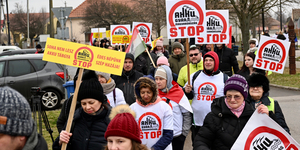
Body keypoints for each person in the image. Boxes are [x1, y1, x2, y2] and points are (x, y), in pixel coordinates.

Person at [193, 74, 270, 149]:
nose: (232, 100)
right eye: (229, 96)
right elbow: (200, 141)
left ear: (244, 96)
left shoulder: (253, 115)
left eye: (237, 96)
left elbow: (273, 136)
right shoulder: (214, 116)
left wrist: (268, 117)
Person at [53, 78, 111, 150]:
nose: (87, 107)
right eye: (83, 104)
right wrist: (60, 142)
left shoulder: (112, 120)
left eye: (91, 103)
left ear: (100, 101)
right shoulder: (75, 118)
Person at [184, 51, 228, 143]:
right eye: (206, 60)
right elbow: (188, 97)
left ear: (216, 62)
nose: (208, 62)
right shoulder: (194, 76)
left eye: (211, 60)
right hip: (197, 122)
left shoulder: (225, 78)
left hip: (216, 123)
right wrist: (187, 92)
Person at [155, 65, 193, 150]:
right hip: (160, 137)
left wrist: (183, 134)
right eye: (156, 79)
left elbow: (187, 114)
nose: (158, 82)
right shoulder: (154, 94)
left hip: (176, 136)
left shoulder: (178, 92)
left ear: (168, 79)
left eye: (161, 79)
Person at [130, 77, 173, 150]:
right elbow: (130, 134)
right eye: (143, 93)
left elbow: (168, 135)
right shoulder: (132, 108)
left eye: (148, 92)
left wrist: (154, 149)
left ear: (153, 92)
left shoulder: (164, 107)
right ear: (138, 93)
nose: (146, 96)